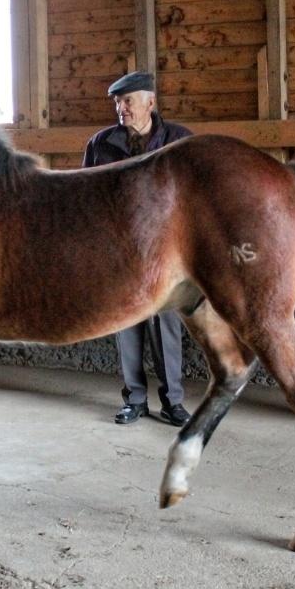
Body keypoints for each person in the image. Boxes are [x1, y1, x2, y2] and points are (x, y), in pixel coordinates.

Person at [82, 71, 193, 427]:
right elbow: (87, 199)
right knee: (126, 326)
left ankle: (173, 402)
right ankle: (134, 400)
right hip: (119, 255)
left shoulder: (179, 141)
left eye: (128, 101)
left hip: (165, 256)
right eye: (118, 102)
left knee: (166, 328)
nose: (121, 108)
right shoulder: (100, 144)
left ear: (150, 102)